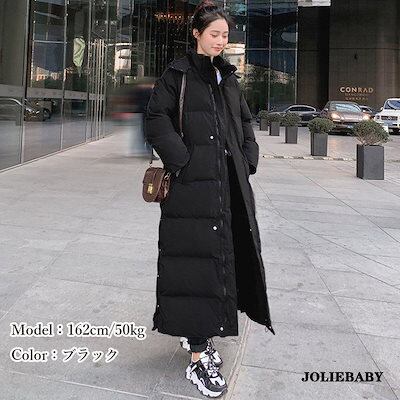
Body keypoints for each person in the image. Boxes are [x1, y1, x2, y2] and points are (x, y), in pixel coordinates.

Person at [144, 0, 275, 397]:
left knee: (220, 261)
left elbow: (245, 121)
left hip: (228, 187)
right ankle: (198, 358)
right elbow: (156, 119)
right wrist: (182, 160)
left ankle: (201, 335)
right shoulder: (177, 75)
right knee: (194, 269)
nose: (220, 41)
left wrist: (248, 158)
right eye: (214, 34)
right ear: (196, 34)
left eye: (225, 35)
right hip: (191, 191)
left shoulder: (227, 77)